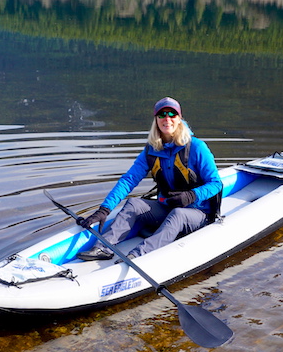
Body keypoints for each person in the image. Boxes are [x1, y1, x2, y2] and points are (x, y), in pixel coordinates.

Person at [77, 97, 223, 261]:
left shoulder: (197, 147)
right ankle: (103, 248)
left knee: (178, 214)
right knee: (134, 204)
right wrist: (104, 209)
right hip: (166, 206)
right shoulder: (151, 150)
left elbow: (216, 184)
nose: (167, 119)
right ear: (156, 120)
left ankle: (137, 256)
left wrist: (191, 196)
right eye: (162, 115)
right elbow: (129, 180)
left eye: (172, 114)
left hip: (198, 212)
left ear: (179, 119)